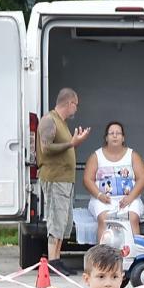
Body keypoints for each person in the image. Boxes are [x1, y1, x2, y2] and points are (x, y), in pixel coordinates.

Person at [37, 88, 91, 275]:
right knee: (56, 220)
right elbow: (46, 148)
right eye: (76, 104)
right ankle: (52, 261)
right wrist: (71, 144)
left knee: (64, 222)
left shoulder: (62, 123)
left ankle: (57, 259)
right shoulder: (49, 120)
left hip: (66, 180)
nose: (76, 108)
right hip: (55, 178)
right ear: (69, 103)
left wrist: (75, 142)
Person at [83, 121, 144, 244]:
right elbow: (87, 179)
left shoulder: (133, 155)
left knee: (132, 218)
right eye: (111, 133)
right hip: (102, 200)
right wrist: (100, 195)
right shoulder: (96, 156)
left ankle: (135, 252)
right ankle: (102, 254)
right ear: (106, 138)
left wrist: (130, 198)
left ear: (123, 138)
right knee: (104, 218)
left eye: (118, 133)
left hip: (129, 199)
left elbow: (142, 178)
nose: (115, 136)